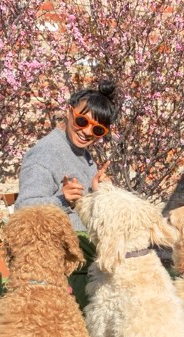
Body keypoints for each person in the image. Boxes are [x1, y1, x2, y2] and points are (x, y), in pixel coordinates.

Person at [15, 80, 118, 231]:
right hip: (59, 249)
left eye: (97, 130)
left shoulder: (82, 153)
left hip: (84, 246)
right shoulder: (45, 153)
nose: (88, 132)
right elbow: (23, 207)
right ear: (69, 112)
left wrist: (97, 191)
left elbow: (82, 208)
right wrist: (62, 200)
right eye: (82, 121)